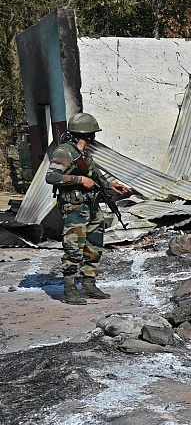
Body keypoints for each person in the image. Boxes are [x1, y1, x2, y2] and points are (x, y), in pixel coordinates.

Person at [45, 112, 132, 305]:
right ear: (87, 134)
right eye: (92, 133)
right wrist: (79, 180)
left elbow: (96, 177)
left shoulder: (83, 154)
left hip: (91, 205)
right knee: (74, 247)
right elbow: (51, 177)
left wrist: (111, 185)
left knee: (94, 244)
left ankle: (88, 283)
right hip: (74, 207)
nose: (94, 137)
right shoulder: (64, 152)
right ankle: (69, 288)